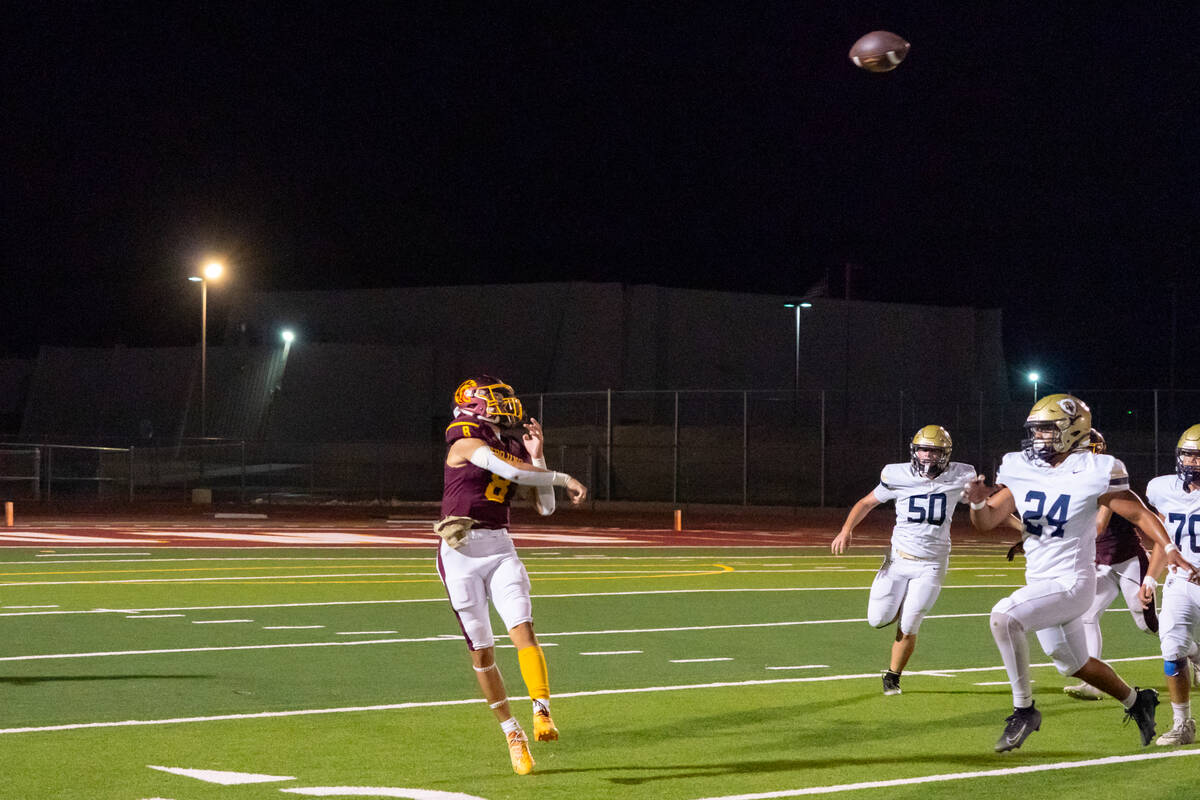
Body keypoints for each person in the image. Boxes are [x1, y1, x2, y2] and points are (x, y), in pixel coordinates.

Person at [964, 394, 1199, 753]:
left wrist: (1168, 549)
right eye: (1036, 429)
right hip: (1041, 582)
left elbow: (1138, 514)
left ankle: (1024, 710)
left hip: (1073, 582)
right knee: (1073, 664)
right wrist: (978, 502)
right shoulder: (1020, 467)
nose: (1039, 437)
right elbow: (987, 521)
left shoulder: (1095, 469)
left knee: (1003, 618)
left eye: (1047, 429)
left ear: (1072, 430)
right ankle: (1137, 701)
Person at [436, 376, 588, 775]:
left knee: (523, 629)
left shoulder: (511, 445)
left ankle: (541, 712)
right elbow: (511, 473)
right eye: (494, 400)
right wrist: (562, 476)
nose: (504, 406)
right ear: (471, 406)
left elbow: (546, 508)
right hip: (461, 553)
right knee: (482, 652)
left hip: (500, 546)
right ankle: (511, 732)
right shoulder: (464, 441)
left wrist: (538, 458)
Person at [831, 425, 977, 696]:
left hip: (932, 564)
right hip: (898, 560)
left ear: (945, 454)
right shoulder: (896, 475)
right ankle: (897, 598)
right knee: (877, 620)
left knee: (909, 625)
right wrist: (846, 529)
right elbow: (866, 503)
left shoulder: (961, 476)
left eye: (934, 451)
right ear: (914, 451)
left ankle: (892, 676)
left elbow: (989, 508)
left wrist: (1025, 530)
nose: (927, 456)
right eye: (923, 449)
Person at [1063, 429, 1161, 700]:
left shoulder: (1108, 476)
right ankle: (1095, 683)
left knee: (1147, 625)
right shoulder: (1071, 480)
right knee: (1087, 614)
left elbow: (1098, 525)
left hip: (1129, 560)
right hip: (1103, 563)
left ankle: (1195, 653)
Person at [1144, 423, 1200, 745]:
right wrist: (1152, 575)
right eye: (1186, 455)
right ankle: (1183, 723)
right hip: (1180, 582)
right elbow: (1163, 538)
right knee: (1171, 649)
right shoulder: (1162, 489)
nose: (1190, 462)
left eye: (1197, 456)